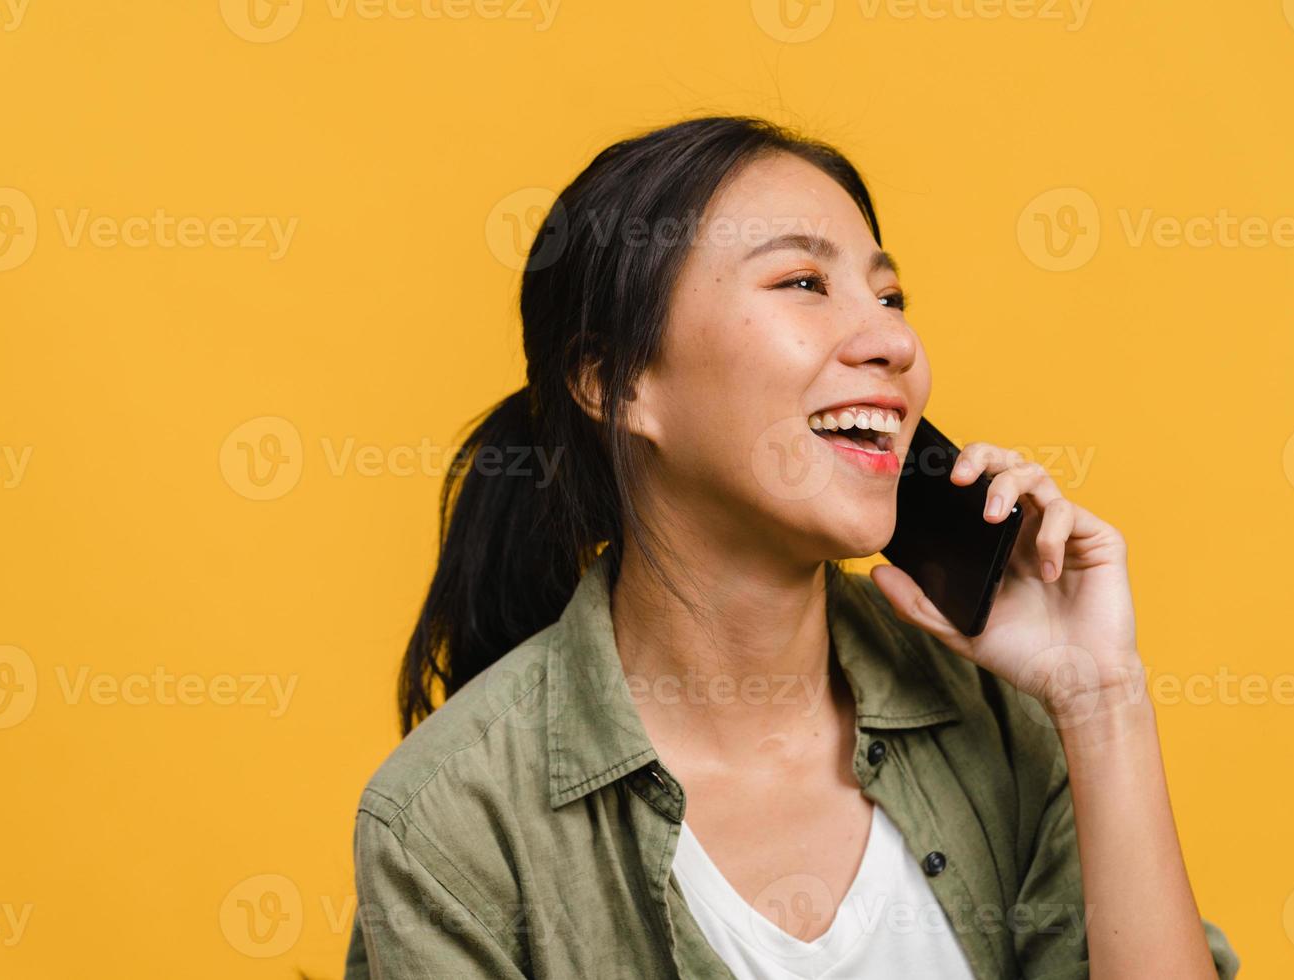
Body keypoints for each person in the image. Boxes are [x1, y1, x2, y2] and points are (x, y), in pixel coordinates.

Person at [343, 115, 1239, 978]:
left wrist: (1099, 699)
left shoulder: (996, 716)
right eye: (803, 284)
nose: (895, 341)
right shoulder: (447, 824)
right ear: (618, 385)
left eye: (891, 297)